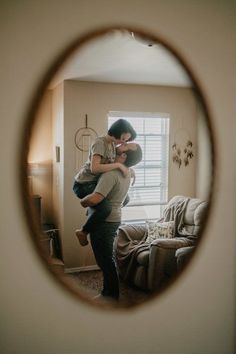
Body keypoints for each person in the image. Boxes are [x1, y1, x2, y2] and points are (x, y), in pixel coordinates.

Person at [79, 144, 143, 302]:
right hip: (114, 219)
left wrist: (83, 201)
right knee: (107, 258)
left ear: (124, 156)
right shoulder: (126, 172)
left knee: (105, 260)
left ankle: (111, 295)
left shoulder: (112, 174)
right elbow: (124, 198)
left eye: (124, 147)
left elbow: (95, 198)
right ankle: (108, 291)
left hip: (104, 222)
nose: (118, 146)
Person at [73, 119, 137, 246]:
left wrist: (130, 169)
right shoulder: (100, 143)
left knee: (126, 199)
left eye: (126, 140)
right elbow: (95, 168)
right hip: (83, 184)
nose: (124, 142)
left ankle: (96, 210)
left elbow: (116, 160)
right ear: (117, 132)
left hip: (94, 183)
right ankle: (83, 232)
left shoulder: (112, 145)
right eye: (123, 138)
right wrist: (118, 165)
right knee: (106, 207)